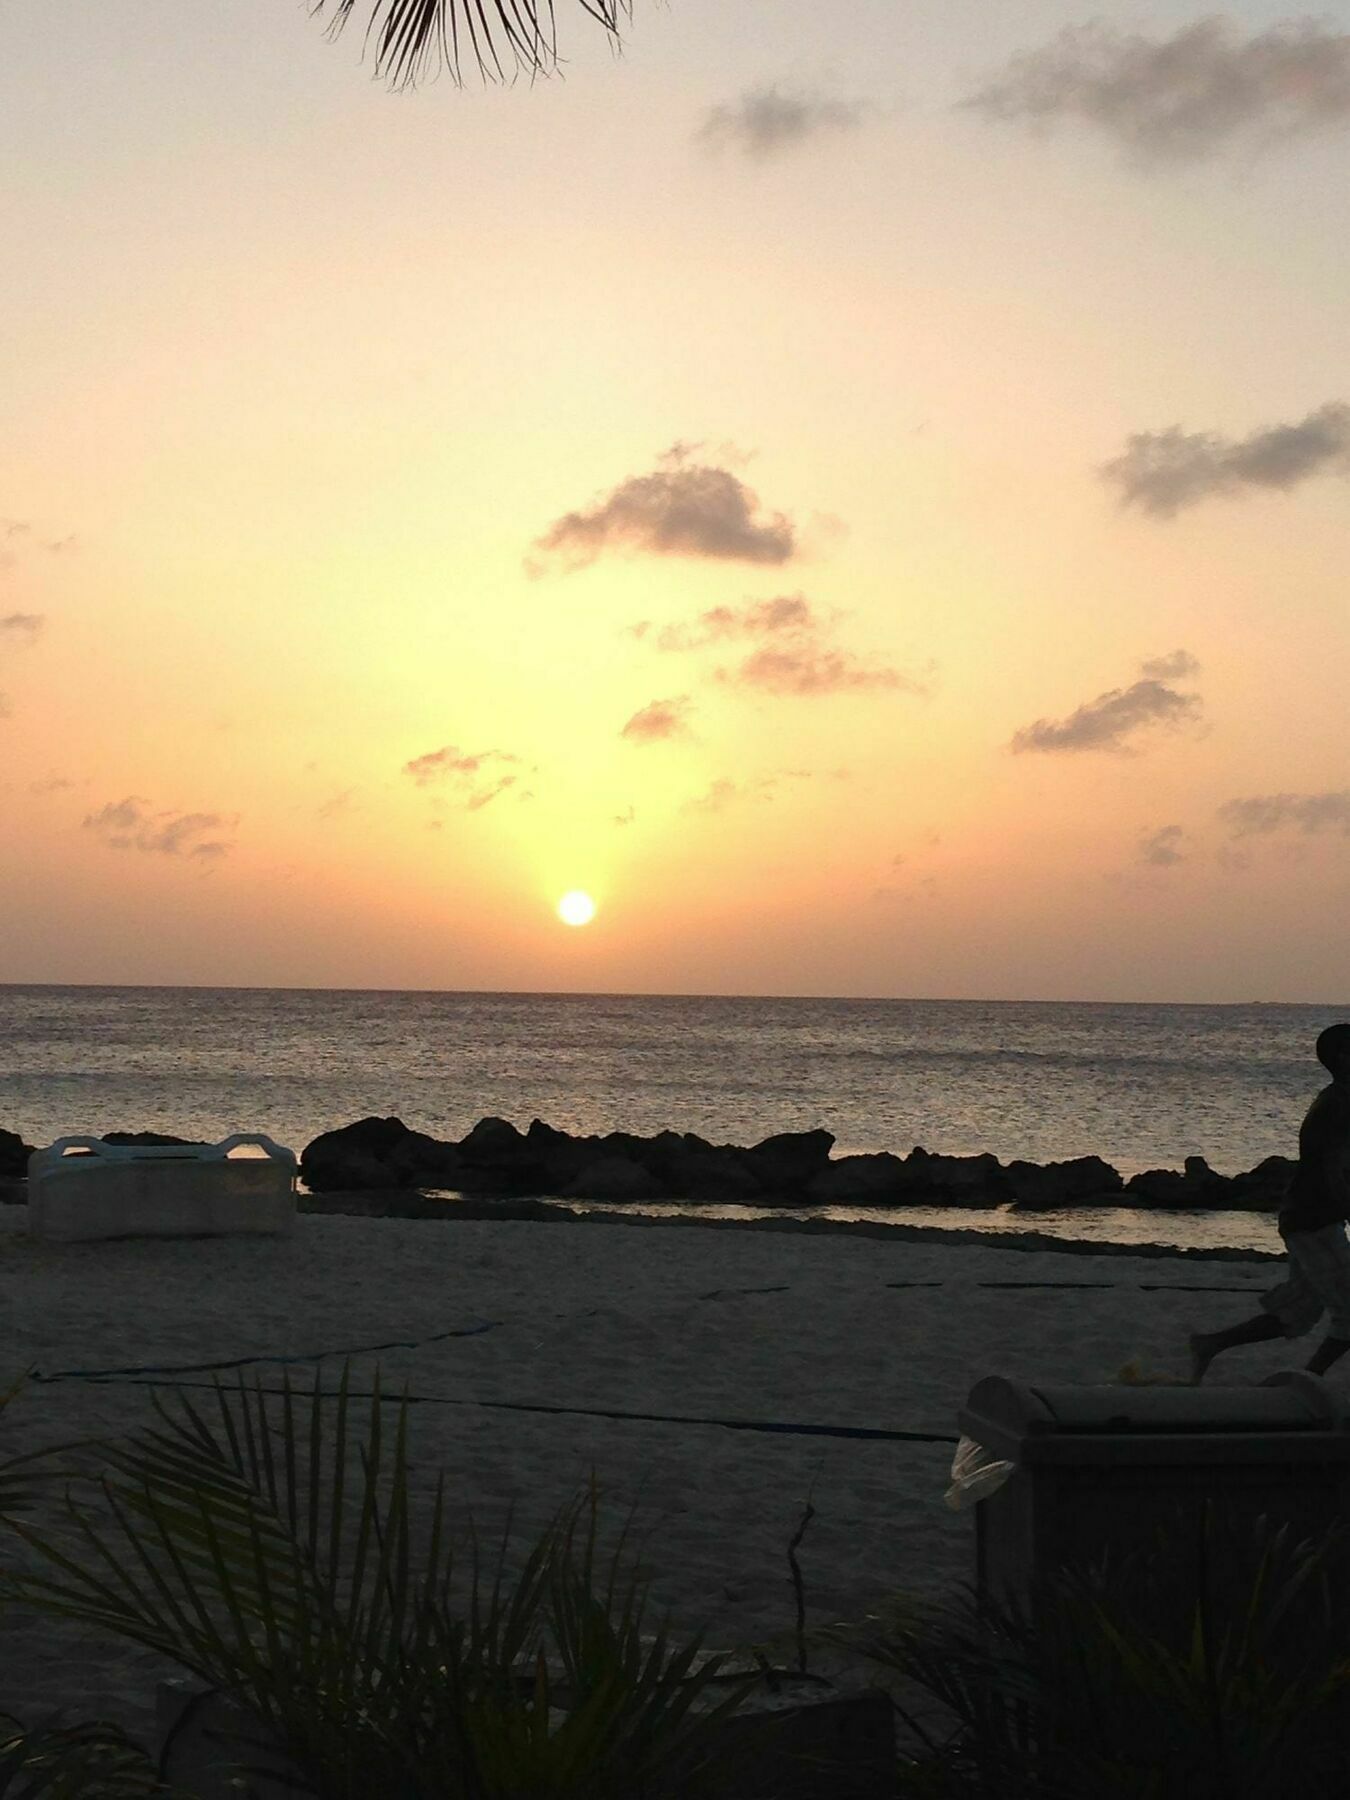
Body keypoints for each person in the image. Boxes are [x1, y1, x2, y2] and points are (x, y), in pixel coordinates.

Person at [1189, 1023, 1350, 1383]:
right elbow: (1332, 1168)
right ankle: (1310, 1380)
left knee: (1300, 1311)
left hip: (1313, 1217)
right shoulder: (1336, 1104)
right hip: (1314, 1220)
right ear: (1342, 1057)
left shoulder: (1340, 1099)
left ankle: (1210, 1344)